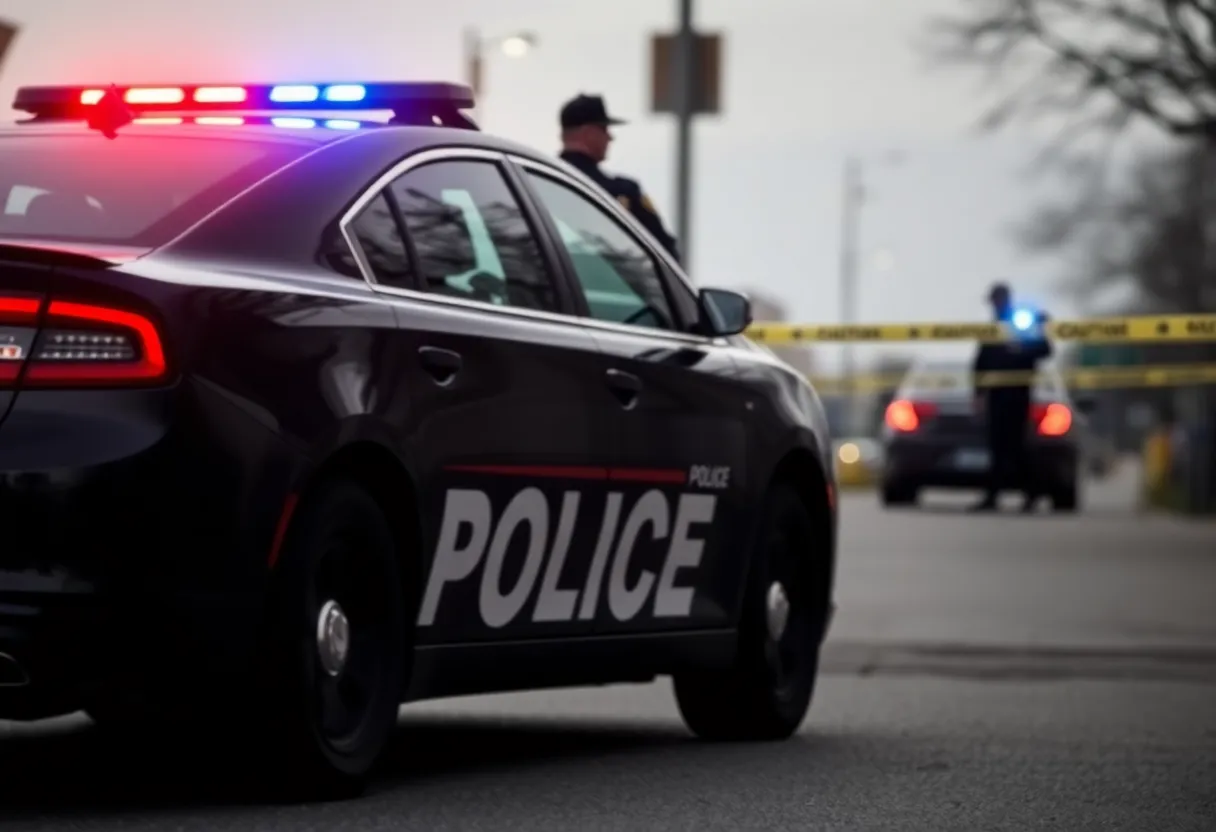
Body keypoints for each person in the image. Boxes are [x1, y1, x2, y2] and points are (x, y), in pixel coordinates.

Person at [556, 93, 680, 262]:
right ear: (588, 133)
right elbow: (664, 251)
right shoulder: (621, 191)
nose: (610, 137)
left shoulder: (538, 182)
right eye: (604, 129)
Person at [970, 282, 1053, 512]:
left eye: (999, 300)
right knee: (996, 447)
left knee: (1017, 446)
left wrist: (1032, 336)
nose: (996, 305)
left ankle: (1032, 493)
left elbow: (1045, 350)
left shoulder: (1023, 324)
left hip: (1018, 393)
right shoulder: (992, 330)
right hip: (996, 396)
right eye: (993, 301)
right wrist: (978, 394)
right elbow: (980, 363)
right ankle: (993, 496)